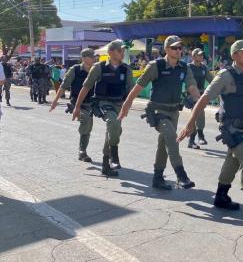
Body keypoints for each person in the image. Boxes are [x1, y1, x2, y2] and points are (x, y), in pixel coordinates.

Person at [178, 40, 243, 223]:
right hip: (230, 127)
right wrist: (190, 124)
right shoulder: (226, 75)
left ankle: (221, 196)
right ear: (235, 56)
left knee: (233, 161)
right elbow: (204, 98)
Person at [119, 36, 200, 190]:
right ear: (166, 49)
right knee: (171, 137)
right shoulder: (156, 66)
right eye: (175, 48)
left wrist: (197, 99)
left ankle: (157, 178)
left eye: (180, 47)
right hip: (157, 110)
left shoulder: (184, 67)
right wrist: (126, 106)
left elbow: (192, 88)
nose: (178, 50)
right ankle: (181, 175)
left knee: (164, 143)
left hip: (174, 111)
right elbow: (138, 87)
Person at [72, 40, 134, 177]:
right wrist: (77, 106)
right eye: (120, 50)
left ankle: (106, 165)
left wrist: (127, 106)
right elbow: (86, 86)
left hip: (119, 104)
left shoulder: (126, 69)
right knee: (113, 122)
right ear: (111, 52)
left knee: (114, 131)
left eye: (123, 51)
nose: (122, 53)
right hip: (103, 102)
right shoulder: (99, 67)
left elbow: (131, 90)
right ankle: (114, 155)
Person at [49, 49, 96, 162]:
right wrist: (55, 101)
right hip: (77, 103)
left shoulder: (96, 70)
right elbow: (63, 86)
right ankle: (82, 151)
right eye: (92, 56)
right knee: (86, 120)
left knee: (88, 126)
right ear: (84, 58)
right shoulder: (74, 70)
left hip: (91, 103)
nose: (95, 58)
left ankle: (83, 150)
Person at [186, 48, 214, 148]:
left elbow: (212, 80)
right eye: (199, 55)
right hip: (191, 95)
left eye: (202, 55)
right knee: (199, 113)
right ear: (193, 57)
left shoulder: (203, 68)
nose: (201, 56)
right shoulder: (188, 67)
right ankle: (200, 135)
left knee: (197, 115)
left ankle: (192, 140)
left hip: (201, 95)